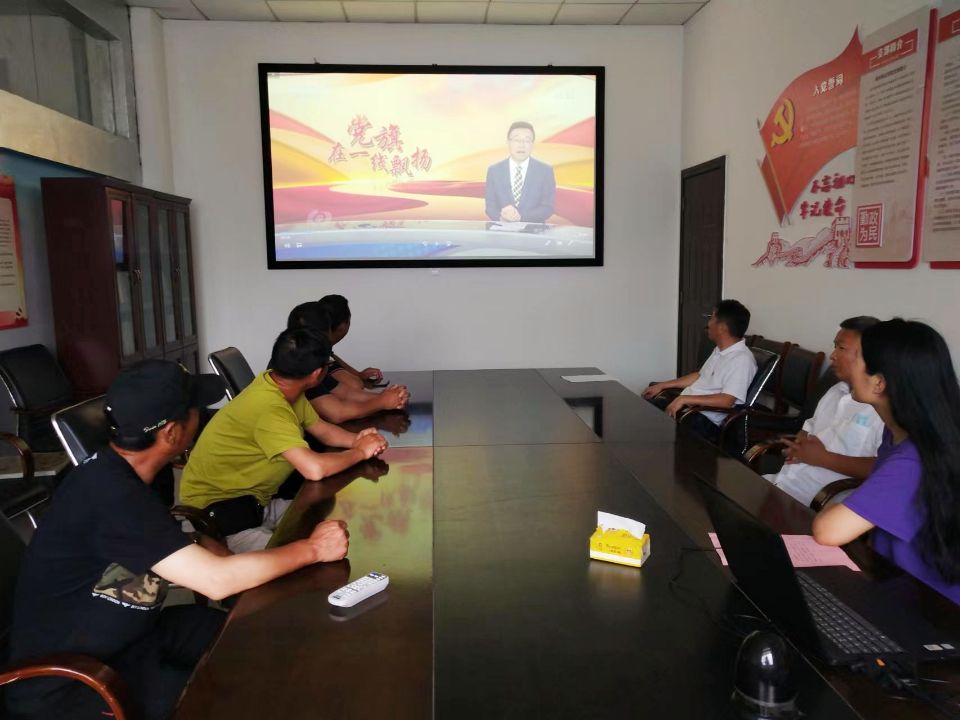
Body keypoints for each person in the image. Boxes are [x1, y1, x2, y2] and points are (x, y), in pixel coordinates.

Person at [7, 360, 351, 720]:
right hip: (71, 683)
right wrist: (313, 549)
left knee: (253, 637)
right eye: (196, 409)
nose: (203, 417)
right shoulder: (111, 494)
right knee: (231, 697)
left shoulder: (133, 473)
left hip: (132, 636)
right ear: (171, 433)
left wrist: (199, 543)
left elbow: (150, 538)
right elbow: (215, 580)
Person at [179, 327, 388, 552]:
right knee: (310, 556)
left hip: (255, 503)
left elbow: (324, 430)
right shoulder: (270, 407)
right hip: (220, 519)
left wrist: (359, 440)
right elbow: (314, 469)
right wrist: (360, 452)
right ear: (317, 374)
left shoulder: (280, 386)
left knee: (334, 519)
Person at [813, 319, 960, 604]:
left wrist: (841, 505)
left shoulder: (914, 460)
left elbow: (827, 531)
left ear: (879, 383)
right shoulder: (899, 434)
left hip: (929, 607)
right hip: (890, 577)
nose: (844, 361)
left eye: (857, 357)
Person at [764, 316, 884, 505]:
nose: (833, 355)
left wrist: (823, 458)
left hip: (818, 502)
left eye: (841, 348)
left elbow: (885, 468)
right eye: (835, 346)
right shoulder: (836, 390)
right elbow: (809, 429)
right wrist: (799, 446)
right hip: (783, 482)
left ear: (870, 356)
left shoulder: (883, 409)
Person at [642, 299, 756, 442]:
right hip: (688, 408)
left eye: (712, 318)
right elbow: (700, 376)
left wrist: (684, 399)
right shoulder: (720, 350)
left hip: (703, 420)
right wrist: (663, 385)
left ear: (722, 327)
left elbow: (726, 400)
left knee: (647, 429)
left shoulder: (742, 359)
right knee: (642, 411)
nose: (708, 324)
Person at [287, 300, 409, 422]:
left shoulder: (311, 362)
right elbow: (337, 413)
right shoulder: (301, 371)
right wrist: (381, 402)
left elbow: (347, 393)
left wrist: (391, 397)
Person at [484, 121, 556, 224]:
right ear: (508, 142)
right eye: (517, 140)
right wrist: (502, 218)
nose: (522, 145)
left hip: (534, 231)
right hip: (502, 230)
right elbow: (490, 206)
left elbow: (548, 207)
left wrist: (520, 217)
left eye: (527, 140)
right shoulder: (494, 171)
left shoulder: (545, 171)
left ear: (532, 144)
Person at [317, 294, 385, 389]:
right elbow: (355, 385)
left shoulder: (321, 348)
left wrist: (359, 376)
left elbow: (333, 359)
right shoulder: (317, 355)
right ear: (342, 326)